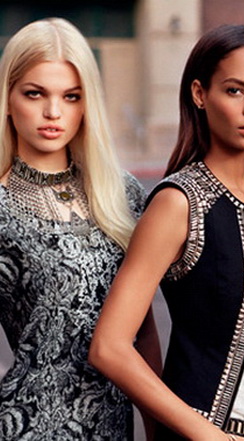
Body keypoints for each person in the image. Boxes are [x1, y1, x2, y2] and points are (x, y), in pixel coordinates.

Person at [89, 24, 244, 441]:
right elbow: (110, 347)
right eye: (235, 90)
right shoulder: (179, 201)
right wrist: (205, 434)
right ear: (199, 94)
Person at [0, 17, 161, 440]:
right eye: (35, 93)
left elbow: (143, 328)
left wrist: (157, 428)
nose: (53, 112)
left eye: (71, 96)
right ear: (7, 99)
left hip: (114, 428)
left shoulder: (122, 193)